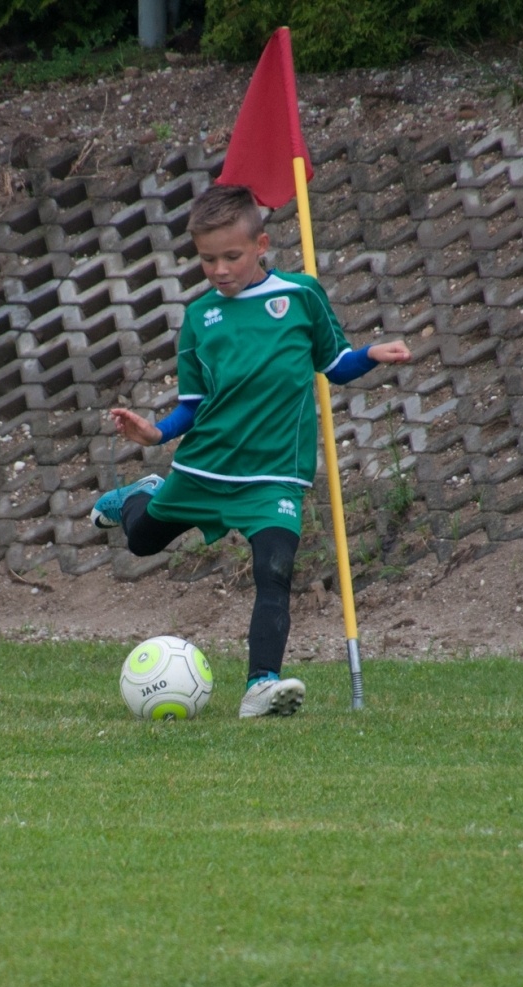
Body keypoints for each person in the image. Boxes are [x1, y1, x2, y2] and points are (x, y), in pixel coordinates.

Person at [91, 183, 415, 717]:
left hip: (274, 476)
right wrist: (156, 436)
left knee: (275, 570)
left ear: (261, 243)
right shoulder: (200, 320)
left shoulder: (302, 296)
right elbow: (193, 404)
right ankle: (142, 495)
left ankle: (261, 685)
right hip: (205, 465)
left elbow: (333, 365)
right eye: (207, 259)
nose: (219, 269)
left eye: (231, 256)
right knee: (143, 542)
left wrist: (371, 354)